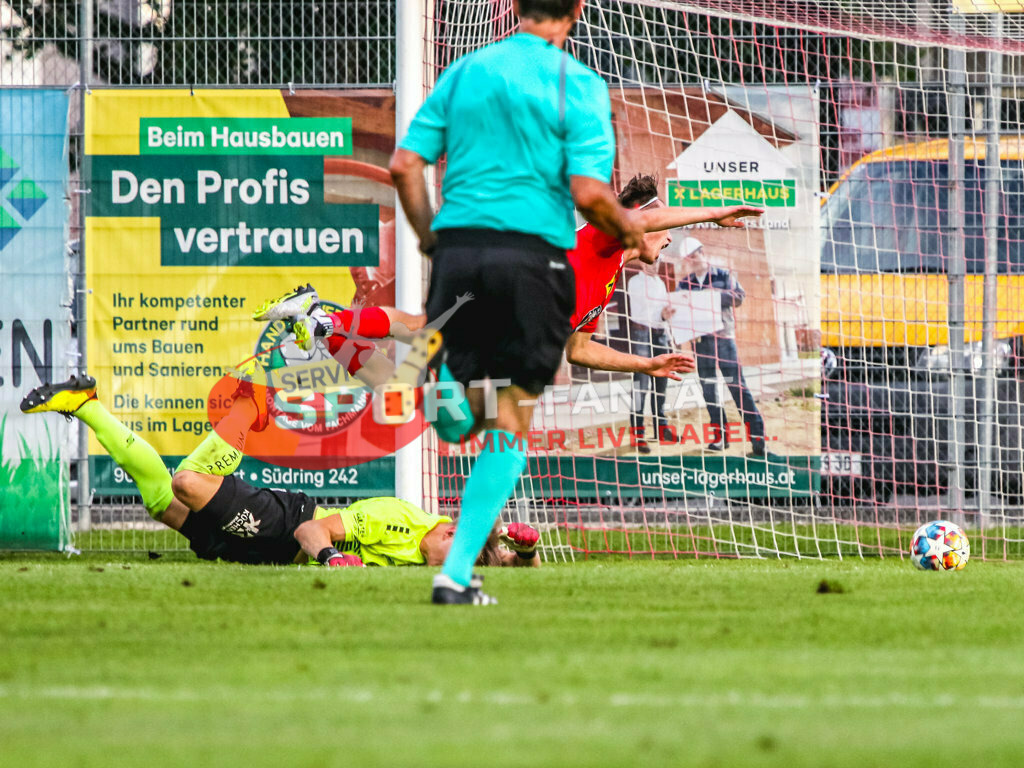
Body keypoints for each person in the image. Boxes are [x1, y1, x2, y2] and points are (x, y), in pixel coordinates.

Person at [389, 0, 644, 605]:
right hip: (535, 260)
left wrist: (432, 241)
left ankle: (446, 397)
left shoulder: (467, 71)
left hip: (460, 254)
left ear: (517, 7)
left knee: (470, 407)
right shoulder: (576, 83)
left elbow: (404, 166)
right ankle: (453, 577)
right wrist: (628, 228)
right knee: (512, 419)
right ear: (576, 11)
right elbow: (588, 194)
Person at [20, 375, 541, 574]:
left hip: (264, 554)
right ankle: (250, 407)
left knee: (162, 502)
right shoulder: (397, 520)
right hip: (285, 524)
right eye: (459, 555)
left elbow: (514, 568)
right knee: (188, 483)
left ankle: (86, 405)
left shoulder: (447, 548)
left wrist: (525, 549)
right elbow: (310, 531)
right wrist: (334, 558)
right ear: (448, 531)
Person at [565, 173, 762, 453]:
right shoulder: (602, 236)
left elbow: (579, 352)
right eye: (666, 225)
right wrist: (714, 213)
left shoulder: (610, 275)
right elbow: (639, 220)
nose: (670, 237)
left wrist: (647, 365)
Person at [677, 236, 770, 457]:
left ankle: (758, 440)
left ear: (701, 252)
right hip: (701, 343)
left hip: (724, 340)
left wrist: (715, 297)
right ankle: (720, 438)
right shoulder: (684, 284)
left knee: (738, 389)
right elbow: (679, 310)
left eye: (694, 255)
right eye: (687, 258)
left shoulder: (723, 275)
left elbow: (739, 296)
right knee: (710, 392)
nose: (692, 260)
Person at [625, 260, 677, 453]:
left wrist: (665, 317)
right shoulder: (635, 282)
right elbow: (644, 311)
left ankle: (661, 429)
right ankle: (637, 435)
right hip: (642, 334)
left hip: (660, 334)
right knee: (641, 384)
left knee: (661, 383)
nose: (653, 265)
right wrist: (660, 314)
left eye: (657, 261)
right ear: (641, 262)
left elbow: (661, 314)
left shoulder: (660, 283)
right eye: (650, 261)